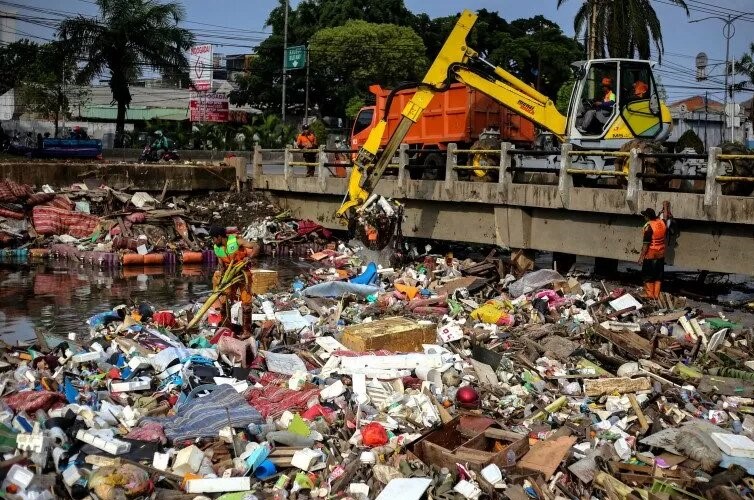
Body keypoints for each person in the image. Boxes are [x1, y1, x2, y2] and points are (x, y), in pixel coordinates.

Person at [210, 226, 261, 337]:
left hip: (243, 275)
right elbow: (221, 264)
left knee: (246, 302)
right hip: (230, 277)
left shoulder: (236, 240)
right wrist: (221, 273)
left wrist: (249, 257)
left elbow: (256, 246)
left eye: (213, 238)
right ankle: (226, 326)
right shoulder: (217, 247)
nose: (213, 241)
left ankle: (247, 331)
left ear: (219, 237)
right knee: (224, 301)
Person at [638, 205, 672, 299]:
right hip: (660, 254)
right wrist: (665, 207)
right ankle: (656, 294)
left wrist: (641, 258)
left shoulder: (649, 228)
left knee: (648, 275)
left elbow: (645, 245)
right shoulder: (661, 223)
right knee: (658, 275)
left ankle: (649, 294)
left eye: (645, 216)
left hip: (650, 254)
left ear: (648, 217)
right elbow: (665, 217)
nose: (644, 217)